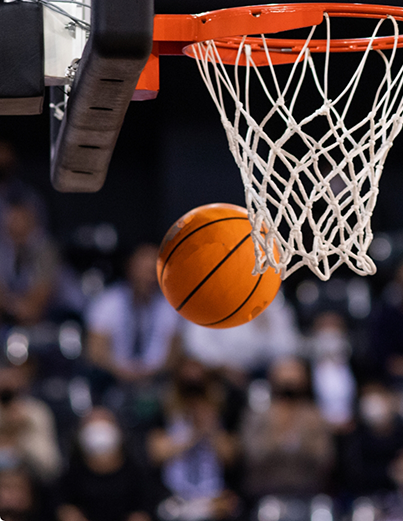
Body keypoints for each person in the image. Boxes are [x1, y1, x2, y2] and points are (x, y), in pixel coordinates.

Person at [85, 243, 182, 405]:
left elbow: (174, 356)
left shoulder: (171, 307)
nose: (147, 277)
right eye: (143, 270)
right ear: (129, 267)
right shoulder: (107, 302)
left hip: (157, 383)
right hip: (114, 381)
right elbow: (95, 352)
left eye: (152, 271)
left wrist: (148, 374)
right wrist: (121, 372)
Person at [146, 356, 237, 520]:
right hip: (174, 496)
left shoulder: (222, 413)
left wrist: (211, 428)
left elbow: (230, 457)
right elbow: (156, 454)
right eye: (188, 387)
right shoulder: (165, 413)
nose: (193, 396)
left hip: (214, 495)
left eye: (198, 387)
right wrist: (192, 434)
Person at [239, 356, 334, 500]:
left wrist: (301, 437)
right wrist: (277, 432)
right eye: (285, 375)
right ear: (273, 379)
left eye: (294, 374)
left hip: (307, 491)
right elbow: (252, 456)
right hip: (265, 492)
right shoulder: (257, 416)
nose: (290, 382)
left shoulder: (315, 417)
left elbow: (325, 459)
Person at [56, 407, 152, 521]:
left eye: (105, 422)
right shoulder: (69, 476)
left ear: (119, 430)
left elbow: (145, 510)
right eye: (91, 423)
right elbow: (61, 508)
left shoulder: (138, 473)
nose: (99, 428)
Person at [0, 197, 61, 328]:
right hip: (14, 315)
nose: (12, 222)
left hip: (58, 316)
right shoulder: (4, 247)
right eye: (10, 217)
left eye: (18, 218)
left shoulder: (45, 249)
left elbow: (36, 304)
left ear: (31, 220)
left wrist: (10, 304)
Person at [0, 361, 62, 485]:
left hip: (31, 485)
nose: (7, 385)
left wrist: (23, 433)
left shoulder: (36, 412)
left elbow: (50, 466)